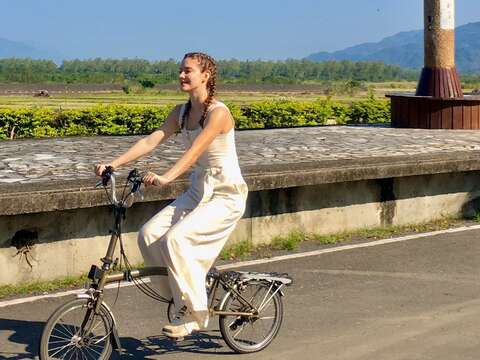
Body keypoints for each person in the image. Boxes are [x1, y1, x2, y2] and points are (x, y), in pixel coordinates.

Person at [95, 52, 248, 338]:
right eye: (180, 70)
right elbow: (151, 140)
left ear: (206, 76)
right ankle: (180, 300)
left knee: (178, 239)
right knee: (149, 234)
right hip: (199, 190)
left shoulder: (218, 113)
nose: (181, 75)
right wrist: (113, 164)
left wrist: (167, 177)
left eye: (188, 71)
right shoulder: (180, 113)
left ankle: (194, 313)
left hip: (226, 194)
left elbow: (195, 151)